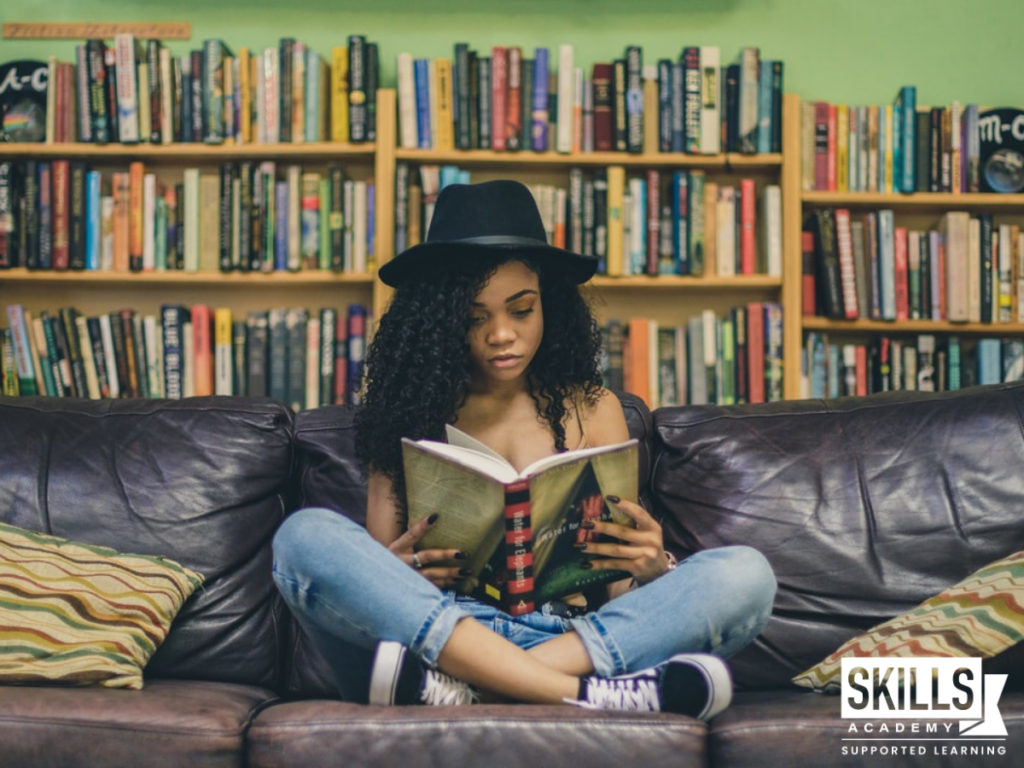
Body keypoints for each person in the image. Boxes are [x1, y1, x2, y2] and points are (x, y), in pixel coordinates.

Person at [272, 179, 776, 716]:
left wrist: (654, 567)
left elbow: (618, 594)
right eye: (474, 317)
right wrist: (396, 570)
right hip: (440, 635)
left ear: (549, 307)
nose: (501, 334)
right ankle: (582, 696)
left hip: (570, 638)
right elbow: (377, 587)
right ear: (440, 322)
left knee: (746, 575)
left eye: (521, 310)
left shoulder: (595, 407)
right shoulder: (403, 412)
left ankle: (484, 690)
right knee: (303, 538)